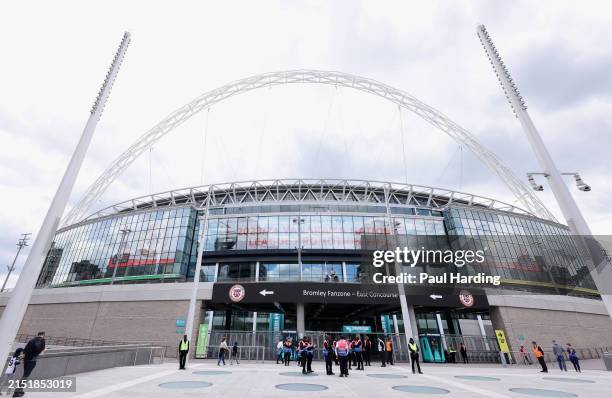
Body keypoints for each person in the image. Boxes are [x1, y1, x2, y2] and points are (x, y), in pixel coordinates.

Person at [13, 332, 45, 397]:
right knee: (25, 376)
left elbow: (24, 350)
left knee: (24, 375)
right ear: (43, 335)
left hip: (26, 360)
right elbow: (40, 350)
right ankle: (16, 392)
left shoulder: (31, 340)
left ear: (37, 334)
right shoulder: (42, 340)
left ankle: (20, 391)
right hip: (32, 360)